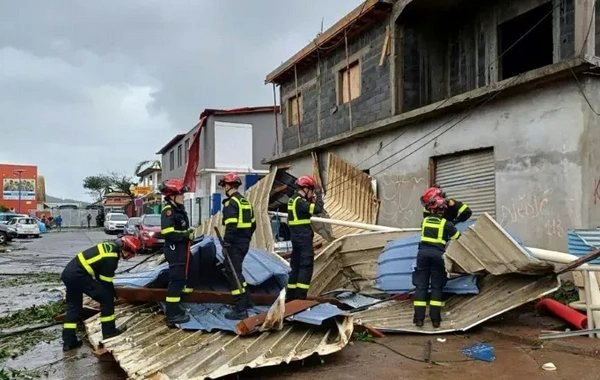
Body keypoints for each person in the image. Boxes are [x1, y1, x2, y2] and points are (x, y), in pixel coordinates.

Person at [61, 235, 142, 351]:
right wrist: (112, 294)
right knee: (107, 300)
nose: (130, 256)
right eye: (131, 253)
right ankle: (109, 332)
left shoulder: (109, 247)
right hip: (79, 276)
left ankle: (69, 342)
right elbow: (106, 282)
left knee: (73, 307)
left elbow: (100, 274)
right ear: (125, 249)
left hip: (69, 274)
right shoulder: (112, 258)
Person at [413, 197, 461, 328]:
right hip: (438, 256)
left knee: (421, 287)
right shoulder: (446, 224)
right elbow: (457, 237)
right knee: (436, 287)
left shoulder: (425, 222)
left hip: (422, 255)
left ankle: (419, 319)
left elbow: (425, 211)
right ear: (443, 210)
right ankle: (435, 320)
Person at [219, 172, 257, 320]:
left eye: (224, 186)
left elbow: (231, 225)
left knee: (233, 274)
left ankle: (240, 309)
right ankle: (247, 301)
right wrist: (246, 238)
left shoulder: (231, 203)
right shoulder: (245, 202)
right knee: (238, 272)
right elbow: (253, 224)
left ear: (228, 186)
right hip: (244, 243)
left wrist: (227, 243)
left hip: (234, 244)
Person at [158, 179, 195, 327]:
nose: (183, 196)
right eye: (181, 194)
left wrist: (187, 233)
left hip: (181, 250)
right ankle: (172, 315)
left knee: (181, 280)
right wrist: (186, 235)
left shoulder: (178, 209)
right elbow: (168, 232)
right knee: (176, 281)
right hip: (175, 251)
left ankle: (176, 307)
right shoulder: (169, 211)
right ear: (172, 196)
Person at [286, 175, 324, 301]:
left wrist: (311, 200)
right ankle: (300, 299)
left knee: (295, 267)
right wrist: (319, 195)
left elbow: (304, 212)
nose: (312, 193)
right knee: (306, 267)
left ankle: (290, 298)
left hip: (295, 239)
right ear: (306, 189)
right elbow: (318, 209)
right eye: (312, 190)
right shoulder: (300, 202)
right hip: (304, 239)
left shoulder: (293, 199)